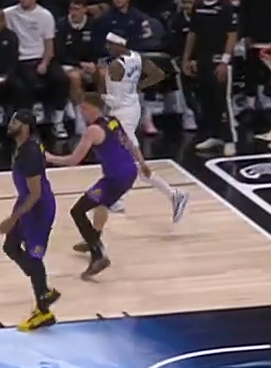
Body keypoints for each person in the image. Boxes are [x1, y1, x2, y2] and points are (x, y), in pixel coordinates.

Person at [46, 96, 150, 280]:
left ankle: (98, 255)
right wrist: (142, 163)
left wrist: (49, 157)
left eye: (85, 108)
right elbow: (130, 143)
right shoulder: (112, 121)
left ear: (95, 108)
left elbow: (73, 160)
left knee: (77, 211)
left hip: (115, 179)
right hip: (128, 173)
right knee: (101, 204)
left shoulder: (93, 130)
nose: (82, 112)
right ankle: (93, 237)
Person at [97, 34, 185, 223]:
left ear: (120, 44)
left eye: (111, 44)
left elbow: (110, 95)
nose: (108, 48)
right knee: (118, 155)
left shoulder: (115, 65)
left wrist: (101, 91)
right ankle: (117, 200)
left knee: (135, 161)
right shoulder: (137, 57)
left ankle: (174, 194)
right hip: (132, 106)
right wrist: (137, 86)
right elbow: (158, 75)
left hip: (121, 112)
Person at [0, 109, 61, 332]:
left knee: (34, 256)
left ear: (25, 127)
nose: (10, 124)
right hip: (26, 202)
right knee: (10, 246)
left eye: (15, 121)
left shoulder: (30, 153)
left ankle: (44, 312)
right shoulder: (23, 147)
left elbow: (35, 193)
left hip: (39, 208)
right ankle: (43, 288)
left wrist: (12, 218)